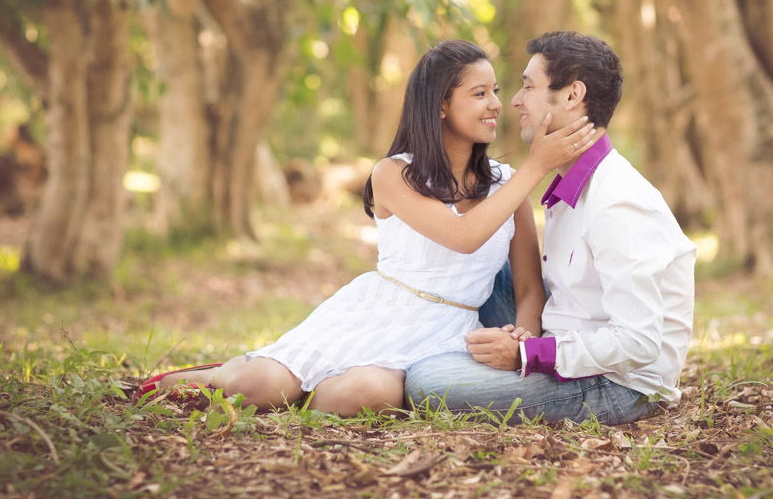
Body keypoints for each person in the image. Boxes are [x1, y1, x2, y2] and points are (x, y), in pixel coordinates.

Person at [140, 40, 597, 416]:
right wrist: (535, 165)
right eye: (480, 94)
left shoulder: (504, 186)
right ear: (441, 105)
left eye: (497, 90)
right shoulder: (393, 173)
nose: (498, 104)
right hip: (379, 307)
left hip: (446, 329)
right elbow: (463, 236)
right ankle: (216, 373)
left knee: (354, 397)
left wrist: (521, 337)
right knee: (250, 386)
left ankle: (305, 387)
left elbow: (528, 286)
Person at [404, 31, 697, 425]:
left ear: (572, 95)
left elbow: (638, 342)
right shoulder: (573, 184)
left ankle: (469, 361)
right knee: (484, 271)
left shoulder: (618, 200)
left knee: (426, 382)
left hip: (617, 384)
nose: (514, 100)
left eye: (528, 86)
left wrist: (529, 354)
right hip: (565, 338)